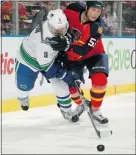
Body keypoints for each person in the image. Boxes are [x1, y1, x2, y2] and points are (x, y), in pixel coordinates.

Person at [15, 9, 82, 122]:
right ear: (50, 26)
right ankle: (22, 97)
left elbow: (70, 35)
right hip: (28, 60)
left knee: (60, 83)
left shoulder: (59, 23)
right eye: (57, 30)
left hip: (48, 57)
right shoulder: (44, 39)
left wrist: (68, 39)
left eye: (62, 29)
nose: (60, 32)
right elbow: (48, 67)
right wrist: (66, 75)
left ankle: (66, 110)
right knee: (24, 86)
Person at [49, 1, 109, 124]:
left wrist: (66, 47)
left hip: (94, 53)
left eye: (98, 12)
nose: (95, 14)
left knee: (100, 80)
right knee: (72, 85)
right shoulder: (72, 9)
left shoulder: (97, 26)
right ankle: (81, 104)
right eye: (93, 10)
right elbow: (58, 21)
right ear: (86, 8)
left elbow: (84, 50)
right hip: (72, 55)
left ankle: (95, 109)